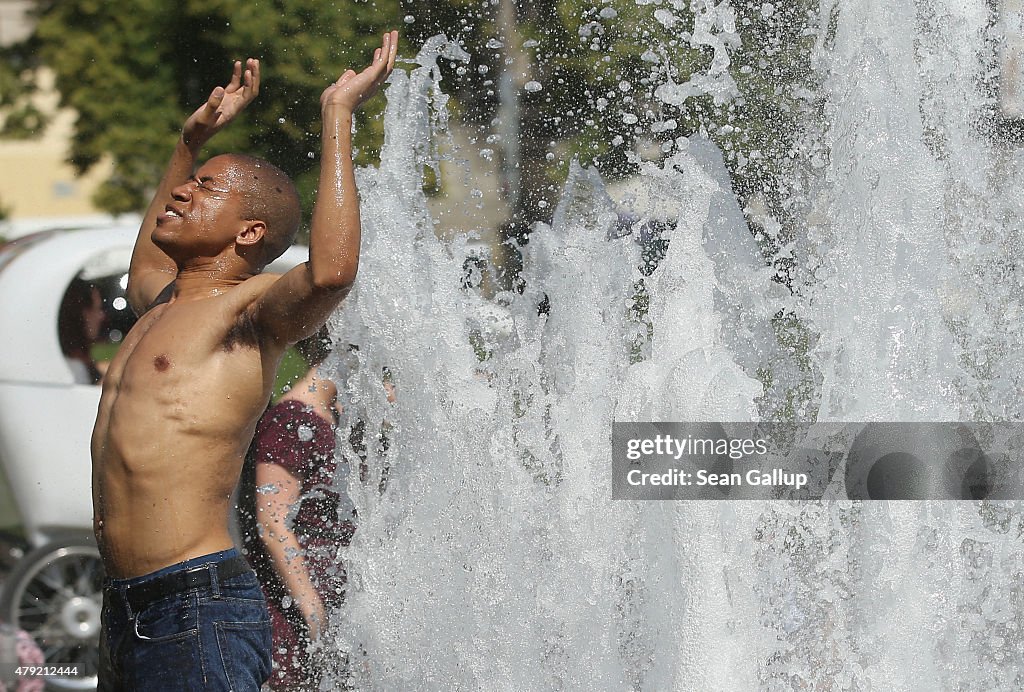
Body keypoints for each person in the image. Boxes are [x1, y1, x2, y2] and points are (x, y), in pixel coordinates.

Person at [90, 30, 398, 691]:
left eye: (203, 189)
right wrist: (187, 143)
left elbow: (332, 273)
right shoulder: (161, 302)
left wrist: (337, 115)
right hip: (123, 605)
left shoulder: (247, 314)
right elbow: (146, 257)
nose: (180, 194)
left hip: (195, 607)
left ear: (249, 232)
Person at [238, 329, 350, 690]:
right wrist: (311, 607)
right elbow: (272, 523)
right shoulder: (290, 422)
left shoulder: (333, 420)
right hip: (294, 608)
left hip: (332, 594)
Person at [58, 276, 107, 384]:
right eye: (96, 309)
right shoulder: (75, 369)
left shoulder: (69, 363)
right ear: (80, 314)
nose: (101, 316)